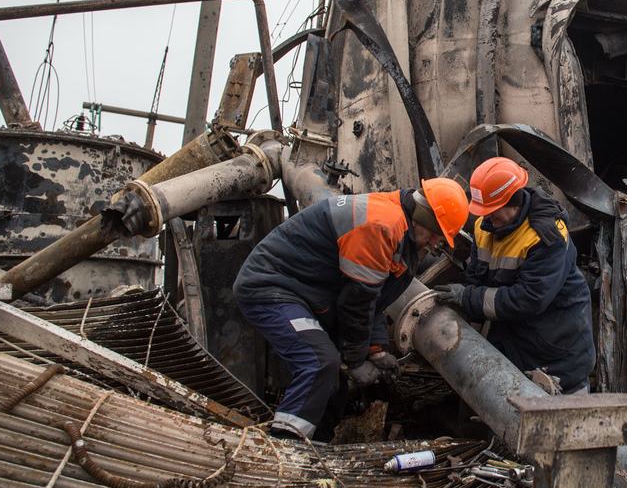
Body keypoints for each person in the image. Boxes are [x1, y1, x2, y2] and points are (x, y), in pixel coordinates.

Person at [233, 178, 468, 439]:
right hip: (272, 288)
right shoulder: (382, 224)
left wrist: (377, 350)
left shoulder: (400, 227)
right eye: (437, 235)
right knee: (319, 363)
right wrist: (356, 360)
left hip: (305, 293)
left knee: (333, 382)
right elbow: (358, 300)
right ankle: (286, 450)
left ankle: (318, 451)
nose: (436, 244)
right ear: (425, 218)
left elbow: (375, 297)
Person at [434, 157, 595, 394]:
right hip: (514, 344)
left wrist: (468, 298)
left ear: (514, 202)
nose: (487, 218)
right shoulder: (484, 225)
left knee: (561, 423)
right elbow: (477, 276)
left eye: (492, 211)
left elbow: (529, 299)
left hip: (557, 352)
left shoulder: (546, 236)